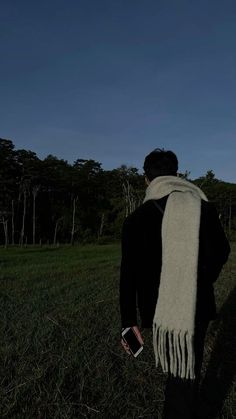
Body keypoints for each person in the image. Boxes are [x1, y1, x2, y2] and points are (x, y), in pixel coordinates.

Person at [119, 148, 230, 419]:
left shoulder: (135, 220)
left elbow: (128, 275)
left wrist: (128, 322)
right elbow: (222, 251)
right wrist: (199, 279)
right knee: (187, 368)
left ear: (147, 179)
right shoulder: (202, 207)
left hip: (156, 309)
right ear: (177, 175)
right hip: (196, 303)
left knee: (178, 373)